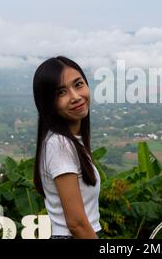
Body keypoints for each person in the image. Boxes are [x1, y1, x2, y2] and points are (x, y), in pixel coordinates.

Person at [33, 56, 101, 239]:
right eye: (61, 92)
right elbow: (76, 224)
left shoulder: (71, 141)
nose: (76, 97)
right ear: (47, 104)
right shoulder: (60, 145)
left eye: (78, 85)